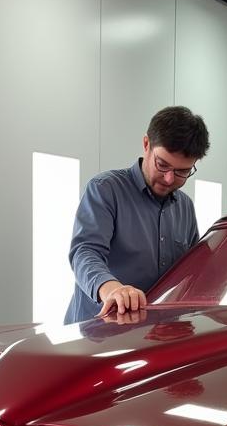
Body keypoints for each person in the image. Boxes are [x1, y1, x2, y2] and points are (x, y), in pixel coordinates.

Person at [63, 106, 210, 324]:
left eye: (182, 172)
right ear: (146, 144)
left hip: (153, 336)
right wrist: (112, 289)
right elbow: (85, 252)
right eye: (162, 165)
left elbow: (191, 271)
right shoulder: (106, 190)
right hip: (96, 332)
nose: (169, 179)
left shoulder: (185, 207)